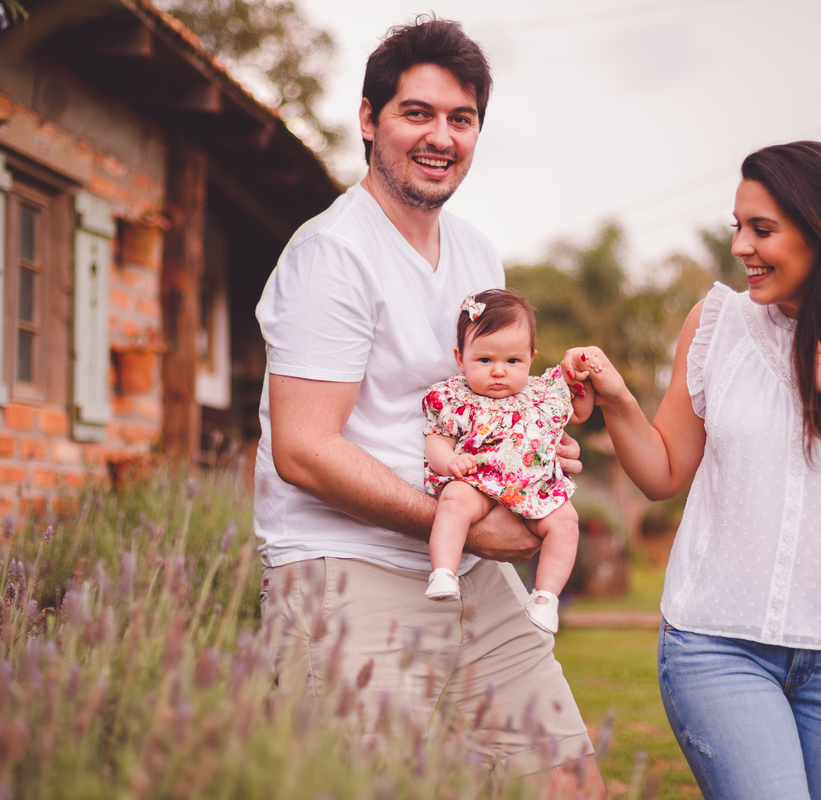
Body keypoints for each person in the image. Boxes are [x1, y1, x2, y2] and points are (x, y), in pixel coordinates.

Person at [561, 140, 821, 800]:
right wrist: (615, 400)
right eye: (738, 227)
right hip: (720, 647)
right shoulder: (718, 322)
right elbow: (664, 472)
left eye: (762, 229)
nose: (740, 247)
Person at [254, 16, 605, 796]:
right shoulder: (331, 255)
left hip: (472, 573)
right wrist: (477, 520)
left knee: (568, 782)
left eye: (461, 118)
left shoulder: (478, 256)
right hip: (347, 572)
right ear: (369, 119)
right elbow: (305, 449)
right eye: (417, 113)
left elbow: (481, 401)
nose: (440, 136)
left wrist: (531, 457)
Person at [423, 289, 595, 636]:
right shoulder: (455, 398)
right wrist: (450, 461)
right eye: (484, 361)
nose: (499, 372)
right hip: (479, 479)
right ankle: (443, 571)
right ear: (460, 357)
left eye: (512, 362)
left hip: (535, 486)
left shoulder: (542, 393)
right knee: (454, 500)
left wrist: (583, 375)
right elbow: (436, 439)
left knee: (566, 523)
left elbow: (578, 411)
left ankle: (545, 598)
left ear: (531, 357)